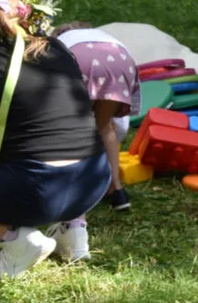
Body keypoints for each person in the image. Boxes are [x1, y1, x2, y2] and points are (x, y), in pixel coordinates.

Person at [0, 0, 110, 277]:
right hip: (93, 180)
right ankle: (73, 232)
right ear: (23, 14)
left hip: (38, 192)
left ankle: (18, 240)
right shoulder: (54, 46)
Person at [54, 24, 141, 213]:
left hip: (80, 60)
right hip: (121, 61)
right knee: (104, 126)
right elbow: (119, 127)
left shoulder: (59, 42)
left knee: (69, 126)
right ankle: (116, 189)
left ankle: (69, 187)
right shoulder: (103, 37)